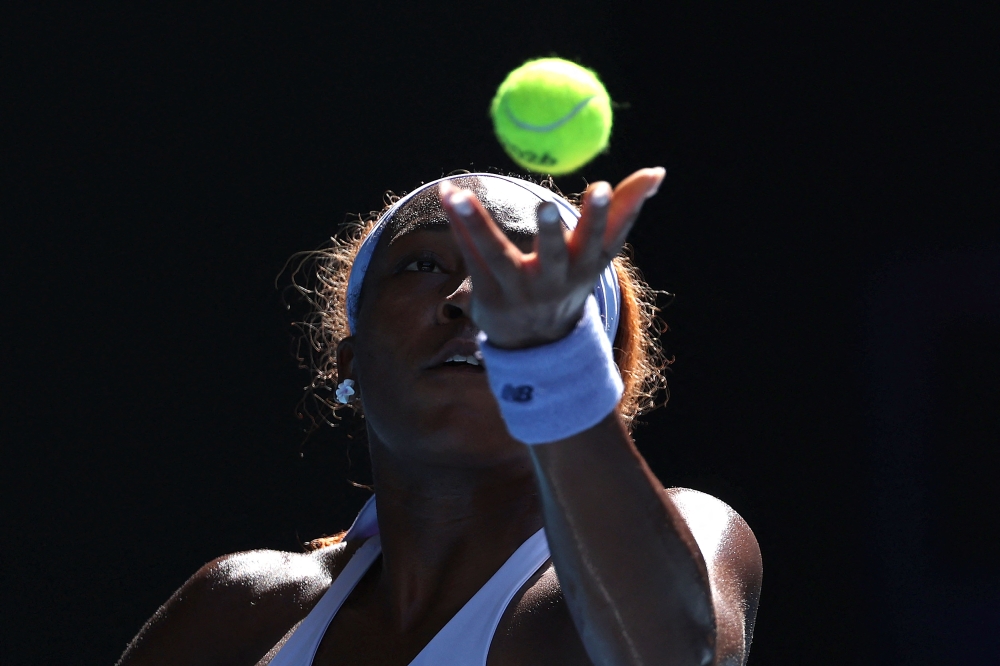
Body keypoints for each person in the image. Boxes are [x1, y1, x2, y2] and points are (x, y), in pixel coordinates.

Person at [118, 168, 762, 666]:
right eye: (424, 265)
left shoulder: (697, 529)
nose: (468, 300)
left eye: (527, 280)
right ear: (349, 362)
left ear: (597, 372)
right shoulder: (239, 606)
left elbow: (675, 654)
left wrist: (550, 363)